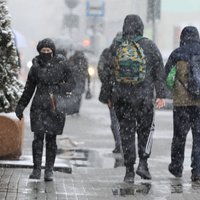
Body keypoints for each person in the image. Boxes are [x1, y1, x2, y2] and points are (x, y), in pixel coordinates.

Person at [106, 14, 166, 183]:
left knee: (126, 133)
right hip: (144, 98)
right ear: (140, 27)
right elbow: (159, 72)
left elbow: (108, 72)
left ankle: (129, 171)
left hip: (122, 98)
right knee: (145, 131)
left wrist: (108, 96)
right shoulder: (149, 45)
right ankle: (143, 164)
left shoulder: (117, 45)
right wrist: (161, 94)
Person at [15, 38, 75, 181]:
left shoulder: (62, 65)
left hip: (55, 106)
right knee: (38, 138)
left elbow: (72, 83)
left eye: (49, 50)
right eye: (43, 51)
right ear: (39, 51)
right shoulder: (35, 66)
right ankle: (36, 169)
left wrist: (58, 88)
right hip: (38, 106)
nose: (46, 53)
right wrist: (21, 105)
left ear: (53, 51)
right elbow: (29, 88)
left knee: (51, 139)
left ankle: (49, 170)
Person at [165, 26, 200, 182]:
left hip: (181, 104)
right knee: (198, 138)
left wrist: (170, 91)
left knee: (179, 137)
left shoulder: (177, 54)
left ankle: (177, 168)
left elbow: (166, 76)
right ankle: (197, 171)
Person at [98, 47, 122, 154]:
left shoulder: (109, 52)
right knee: (126, 123)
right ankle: (124, 145)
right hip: (129, 94)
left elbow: (101, 69)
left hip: (113, 93)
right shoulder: (133, 50)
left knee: (115, 122)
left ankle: (119, 144)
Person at [68, 50, 91, 115]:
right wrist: (88, 83)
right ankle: (77, 110)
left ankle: (73, 109)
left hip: (73, 80)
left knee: (73, 95)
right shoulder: (84, 60)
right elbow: (87, 72)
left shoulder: (72, 58)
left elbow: (68, 69)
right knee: (79, 96)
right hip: (81, 80)